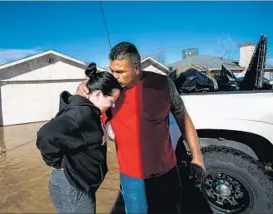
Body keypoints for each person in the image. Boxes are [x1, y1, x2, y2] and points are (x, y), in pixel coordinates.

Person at [76, 42, 205, 214]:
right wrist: (80, 97)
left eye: (120, 72)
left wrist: (197, 157)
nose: (114, 76)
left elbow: (183, 118)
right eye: (112, 70)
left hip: (167, 173)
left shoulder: (163, 84)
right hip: (132, 179)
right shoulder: (108, 91)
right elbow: (85, 120)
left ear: (136, 68)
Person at [36, 62, 122, 213]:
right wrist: (56, 163)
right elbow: (45, 135)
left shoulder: (91, 110)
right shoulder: (81, 114)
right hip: (72, 186)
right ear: (97, 94)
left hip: (79, 184)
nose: (113, 106)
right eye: (111, 101)